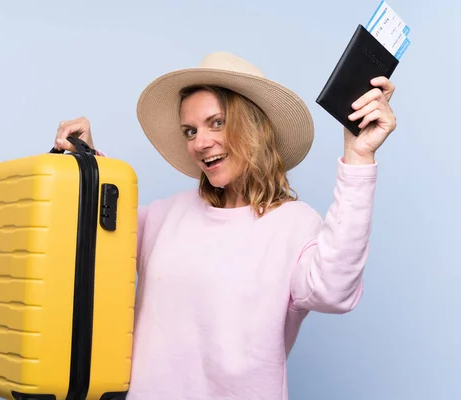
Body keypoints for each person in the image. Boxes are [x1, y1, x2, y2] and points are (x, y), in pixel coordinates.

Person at [53, 52, 397, 399]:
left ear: (254, 127)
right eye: (190, 131)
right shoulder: (161, 217)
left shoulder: (294, 225)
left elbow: (336, 292)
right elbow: (99, 229)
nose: (200, 142)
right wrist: (87, 159)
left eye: (216, 122)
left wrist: (359, 156)